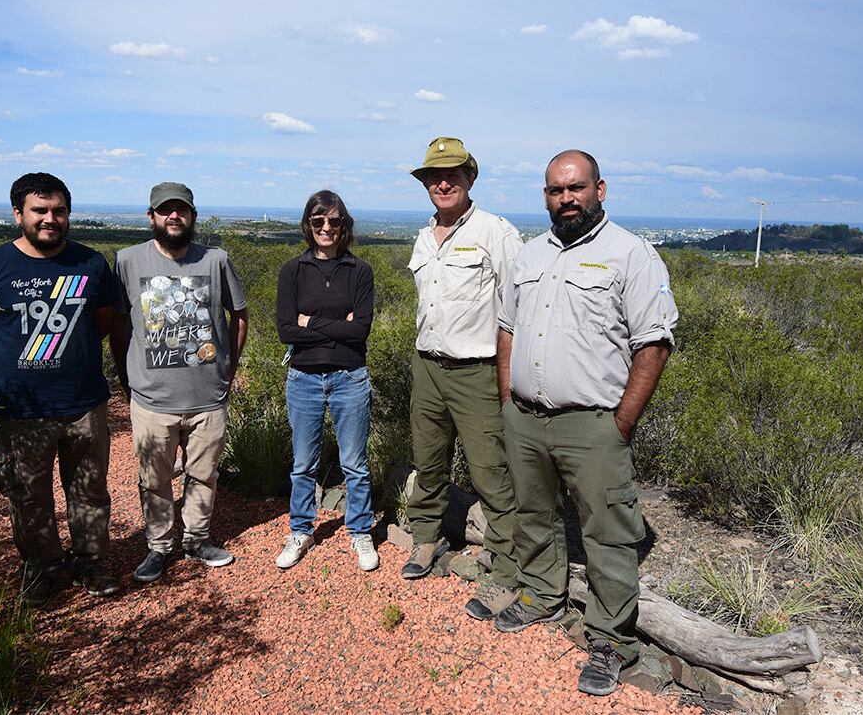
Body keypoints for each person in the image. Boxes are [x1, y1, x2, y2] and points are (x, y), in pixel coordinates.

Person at [494, 150, 678, 696]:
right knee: (534, 513)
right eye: (555, 190)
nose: (565, 198)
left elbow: (654, 344)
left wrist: (620, 423)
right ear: (545, 196)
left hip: (594, 424)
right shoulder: (529, 256)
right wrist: (509, 398)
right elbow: (507, 328)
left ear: (600, 189)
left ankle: (610, 639)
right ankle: (540, 594)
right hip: (527, 418)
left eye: (575, 188)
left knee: (607, 531)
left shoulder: (632, 256)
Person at [0, 172, 120, 606]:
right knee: (28, 494)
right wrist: (12, 367)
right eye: (40, 210)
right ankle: (44, 569)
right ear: (18, 214)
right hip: (21, 407)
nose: (50, 219)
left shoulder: (90, 264)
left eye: (59, 211)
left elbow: (104, 322)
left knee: (89, 489)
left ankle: (89, 563)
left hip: (84, 401)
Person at [403, 137, 524, 621]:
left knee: (490, 471)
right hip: (427, 366)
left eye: (452, 174)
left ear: (471, 178)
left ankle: (504, 562)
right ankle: (425, 540)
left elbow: (517, 311)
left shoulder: (497, 232)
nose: (443, 182)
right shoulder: (422, 236)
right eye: (434, 175)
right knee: (428, 461)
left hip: (477, 370)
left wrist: (507, 379)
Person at [110, 182, 248, 583]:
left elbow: (239, 314)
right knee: (153, 478)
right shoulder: (127, 261)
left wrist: (228, 367)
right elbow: (118, 325)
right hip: (153, 399)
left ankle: (197, 539)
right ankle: (159, 546)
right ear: (150, 216)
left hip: (208, 395)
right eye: (165, 210)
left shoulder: (216, 260)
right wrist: (127, 376)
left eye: (182, 210)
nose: (174, 216)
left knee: (204, 473)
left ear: (193, 216)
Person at [274, 191, 377, 572]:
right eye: (318, 221)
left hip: (350, 377)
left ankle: (360, 531)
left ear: (344, 225)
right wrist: (339, 326)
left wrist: (310, 322)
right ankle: (300, 530)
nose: (326, 228)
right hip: (303, 378)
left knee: (355, 462)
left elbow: (361, 330)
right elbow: (286, 330)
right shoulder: (293, 271)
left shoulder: (359, 271)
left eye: (334, 221)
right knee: (303, 463)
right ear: (308, 225)